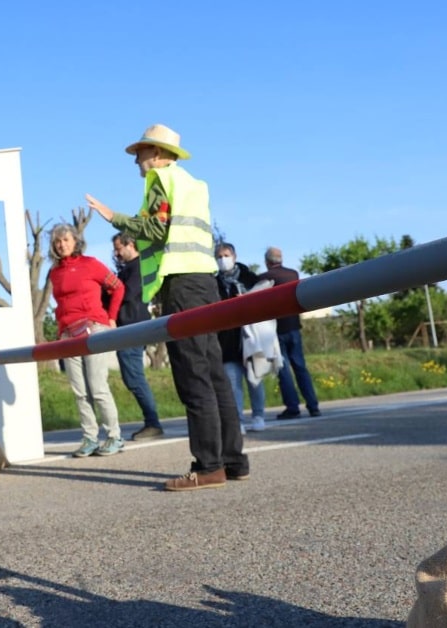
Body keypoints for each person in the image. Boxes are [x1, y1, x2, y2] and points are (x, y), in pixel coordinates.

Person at [87, 124, 248, 490]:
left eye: (141, 153)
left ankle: (208, 466)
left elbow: (156, 231)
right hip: (205, 280)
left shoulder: (159, 179)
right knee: (214, 373)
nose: (137, 162)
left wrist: (114, 217)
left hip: (180, 283)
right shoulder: (194, 184)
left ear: (158, 155)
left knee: (193, 375)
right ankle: (234, 460)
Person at [48, 223, 126, 457]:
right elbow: (61, 305)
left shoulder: (90, 264)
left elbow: (118, 287)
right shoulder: (55, 272)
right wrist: (59, 331)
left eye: (66, 240)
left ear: (75, 241)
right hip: (68, 334)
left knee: (97, 386)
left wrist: (111, 318)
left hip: (94, 328)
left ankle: (114, 436)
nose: (62, 244)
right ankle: (90, 438)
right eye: (58, 241)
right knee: (79, 391)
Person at [111, 233, 164, 441]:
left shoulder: (139, 267)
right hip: (127, 328)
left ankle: (153, 423)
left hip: (134, 327)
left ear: (130, 245)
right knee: (131, 376)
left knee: (134, 377)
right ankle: (152, 421)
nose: (116, 253)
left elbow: (127, 293)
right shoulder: (127, 269)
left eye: (119, 248)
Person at [214, 242, 268, 433]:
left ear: (234, 256)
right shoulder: (214, 283)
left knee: (255, 379)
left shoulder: (249, 278)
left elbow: (262, 300)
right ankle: (237, 420)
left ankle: (258, 415)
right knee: (233, 383)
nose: (223, 260)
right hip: (227, 342)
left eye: (226, 255)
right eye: (219, 256)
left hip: (250, 338)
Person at [261, 247, 320, 418]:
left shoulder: (265, 278)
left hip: (277, 330)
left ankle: (293, 407)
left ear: (267, 261)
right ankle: (313, 405)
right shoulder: (293, 274)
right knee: (300, 367)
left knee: (284, 370)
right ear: (281, 259)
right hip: (294, 327)